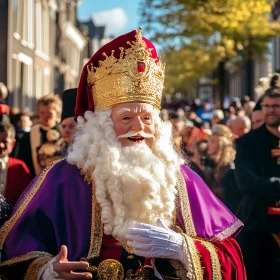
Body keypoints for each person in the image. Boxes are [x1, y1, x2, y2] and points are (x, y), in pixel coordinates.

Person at [0, 28, 245, 280]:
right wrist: (45, 272)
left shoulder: (180, 179)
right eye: (126, 117)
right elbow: (14, 248)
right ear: (101, 126)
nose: (138, 127)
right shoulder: (63, 178)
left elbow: (230, 258)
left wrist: (184, 249)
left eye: (146, 118)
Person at [234, 88, 280, 279]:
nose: (270, 111)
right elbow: (245, 182)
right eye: (266, 106)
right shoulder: (248, 142)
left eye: (276, 106)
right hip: (258, 227)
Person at [18, 94, 62, 178]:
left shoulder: (64, 134)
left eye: (49, 113)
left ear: (57, 114)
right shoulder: (28, 136)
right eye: (42, 113)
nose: (46, 116)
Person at [203, 124, 236, 202]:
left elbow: (230, 196)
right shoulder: (211, 164)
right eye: (209, 140)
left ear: (221, 145)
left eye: (213, 141)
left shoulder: (229, 168)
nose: (208, 144)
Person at [0, 123, 30, 205]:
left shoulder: (20, 167)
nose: (1, 145)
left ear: (12, 143)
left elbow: (26, 197)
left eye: (4, 141)